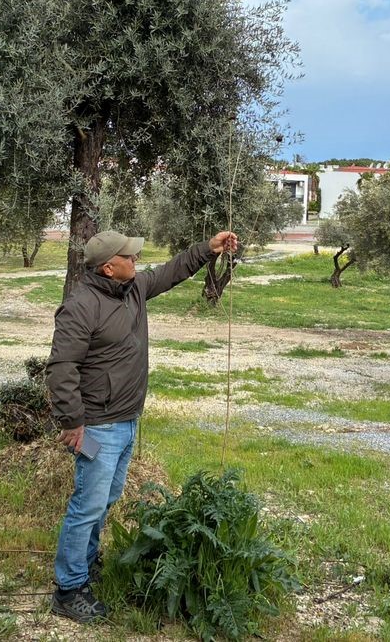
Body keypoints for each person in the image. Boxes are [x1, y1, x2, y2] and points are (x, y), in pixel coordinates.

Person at [46, 228, 239, 623]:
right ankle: (68, 589)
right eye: (129, 257)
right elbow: (61, 368)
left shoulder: (132, 288)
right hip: (97, 426)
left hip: (126, 420)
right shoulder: (81, 306)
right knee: (87, 506)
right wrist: (72, 422)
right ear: (108, 267)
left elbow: (171, 271)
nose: (137, 261)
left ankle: (85, 563)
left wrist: (208, 249)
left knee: (107, 497)